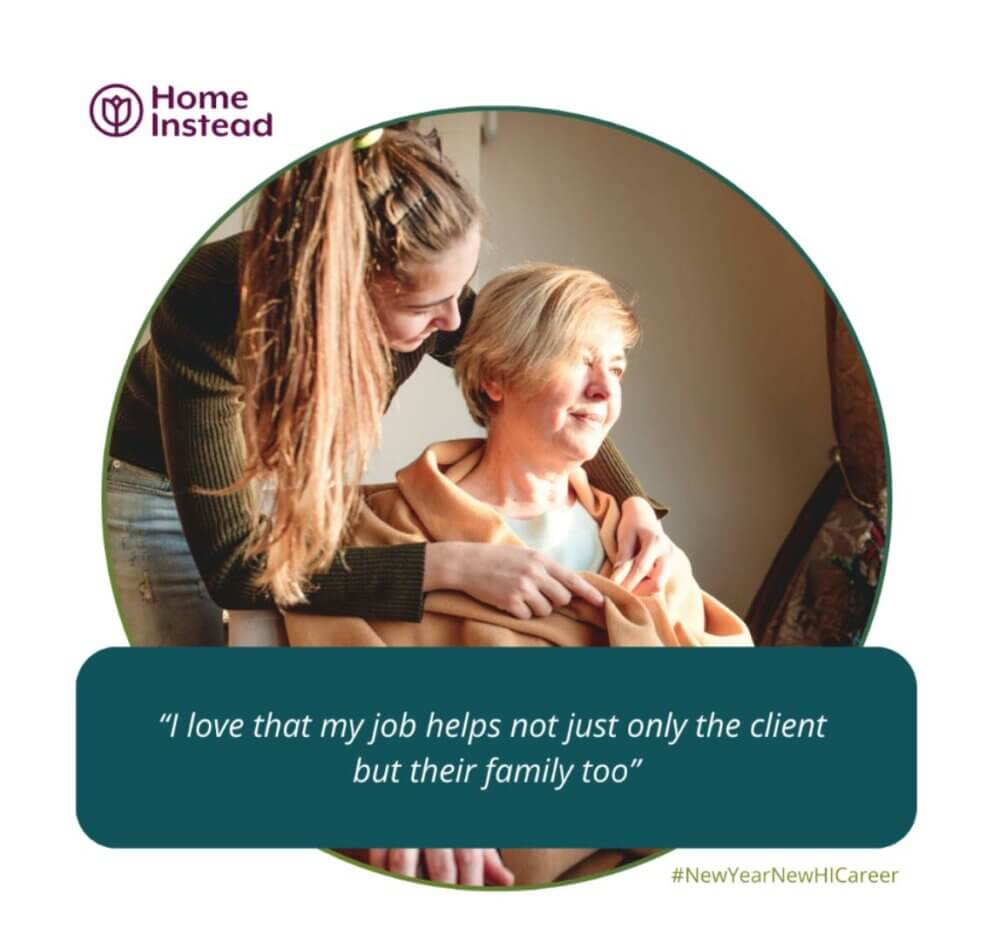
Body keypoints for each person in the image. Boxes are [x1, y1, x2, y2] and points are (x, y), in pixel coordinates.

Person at [105, 127, 672, 647]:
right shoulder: (207, 306)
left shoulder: (431, 294)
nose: (454, 322)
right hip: (156, 492)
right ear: (344, 293)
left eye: (460, 288)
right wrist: (452, 565)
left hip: (286, 482)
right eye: (425, 306)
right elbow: (237, 571)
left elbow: (532, 372)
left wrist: (634, 501)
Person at [285, 264, 753, 886]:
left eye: (615, 368)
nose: (604, 391)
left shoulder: (642, 550)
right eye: (577, 360)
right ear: (497, 377)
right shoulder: (377, 531)